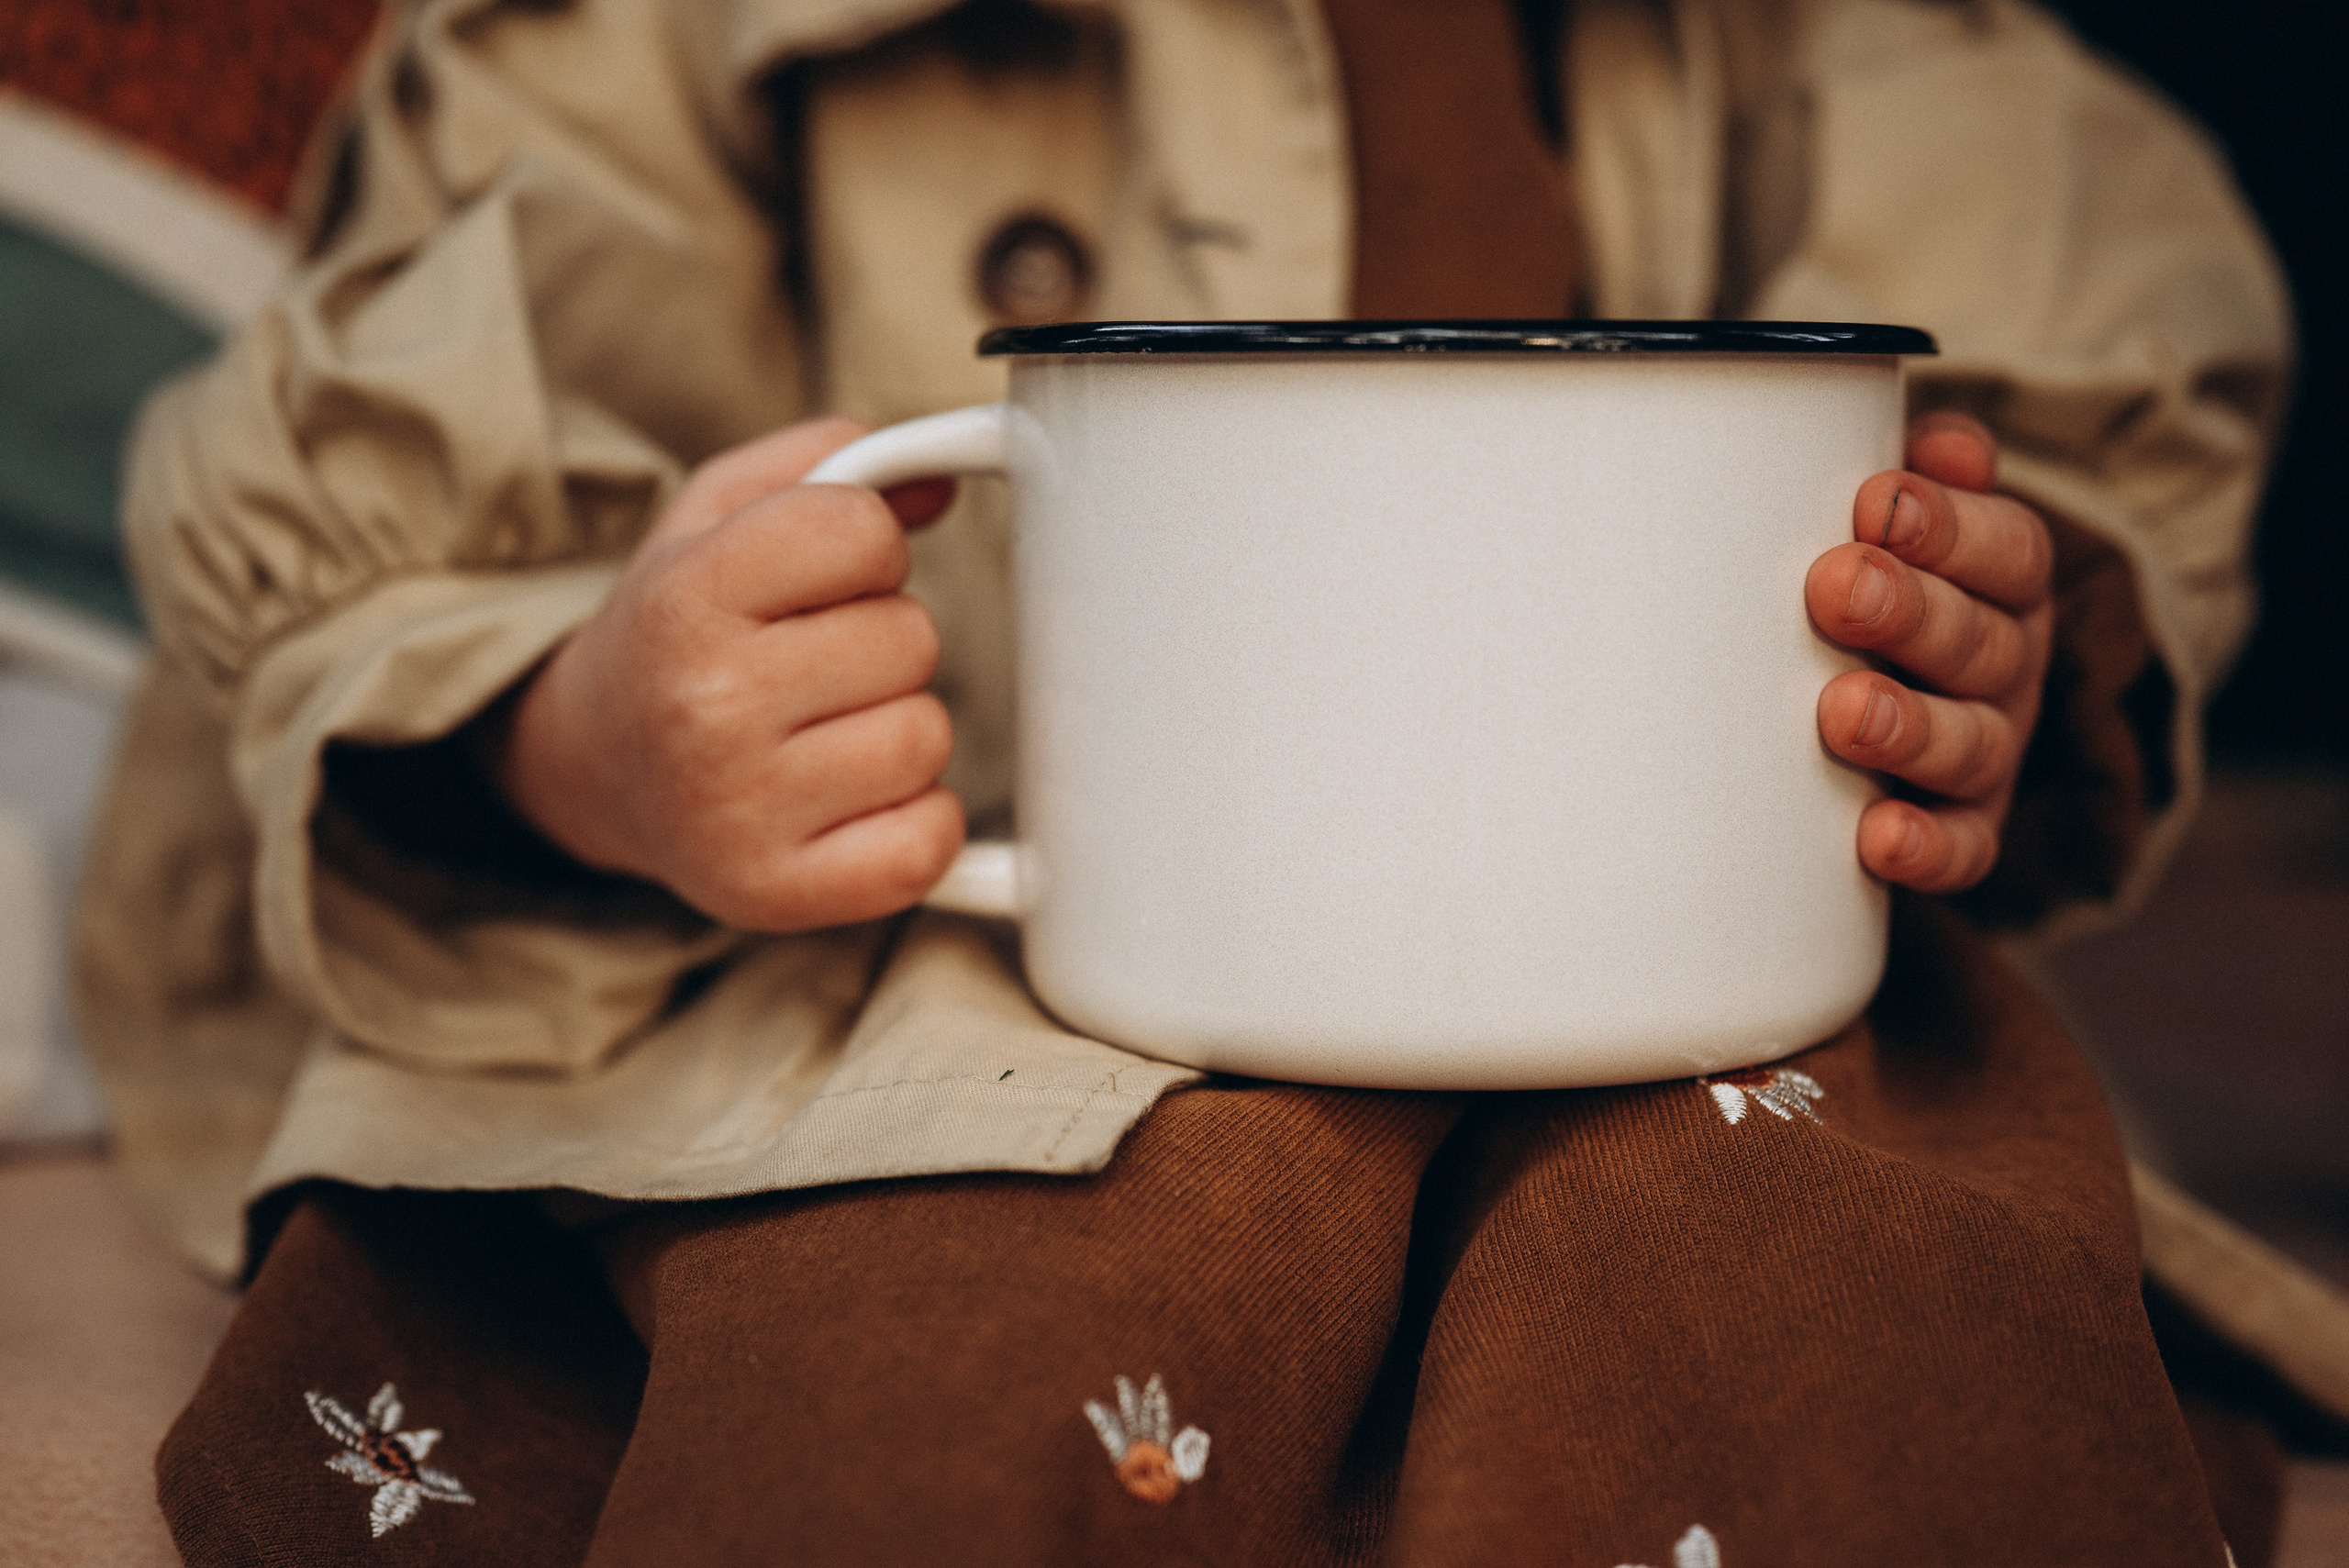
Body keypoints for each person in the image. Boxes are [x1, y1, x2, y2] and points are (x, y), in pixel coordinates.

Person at [76, 0, 2302, 1562]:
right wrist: (589, 731)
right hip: (934, 966)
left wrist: (1988, 623)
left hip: (1685, 935)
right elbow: (382, 498)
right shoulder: (645, 36)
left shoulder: (1829, 37)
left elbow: (2054, 282)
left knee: (1830, 1268)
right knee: (959, 1290)